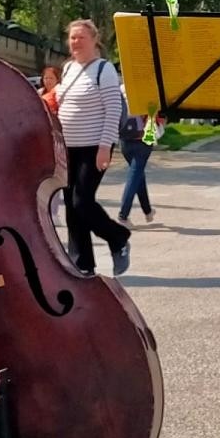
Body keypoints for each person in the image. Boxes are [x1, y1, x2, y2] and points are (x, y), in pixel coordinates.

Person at [54, 19, 131, 276]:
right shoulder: (67, 69)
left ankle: (117, 237)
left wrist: (105, 146)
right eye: (72, 37)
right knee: (71, 207)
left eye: (81, 38)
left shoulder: (103, 69)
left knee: (82, 201)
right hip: (67, 148)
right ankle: (82, 262)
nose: (75, 42)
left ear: (94, 40)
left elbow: (113, 110)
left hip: (92, 147)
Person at [117, 87, 164, 229]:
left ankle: (148, 211)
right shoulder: (149, 91)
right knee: (134, 175)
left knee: (137, 174)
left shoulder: (119, 90)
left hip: (124, 139)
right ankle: (123, 215)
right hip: (143, 139)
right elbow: (155, 114)